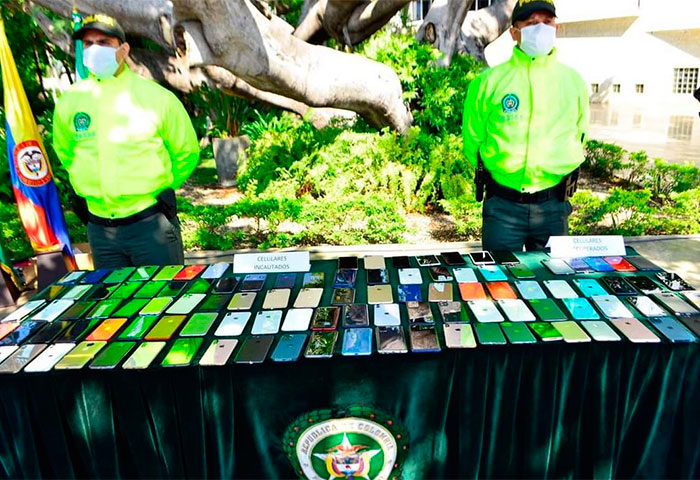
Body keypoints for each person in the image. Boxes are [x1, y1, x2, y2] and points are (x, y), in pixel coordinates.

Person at [53, 14, 199, 268]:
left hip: (149, 224)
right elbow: (65, 152)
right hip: (100, 230)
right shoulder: (70, 101)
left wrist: (155, 188)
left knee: (163, 292)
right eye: (88, 44)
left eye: (104, 42)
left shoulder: (156, 97)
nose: (95, 49)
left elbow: (186, 152)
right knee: (114, 294)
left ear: (124, 49)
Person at [462, 0, 589, 252]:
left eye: (547, 22)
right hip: (503, 207)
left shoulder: (573, 82)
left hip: (553, 206)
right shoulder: (488, 83)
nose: (540, 28)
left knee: (551, 276)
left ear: (556, 27)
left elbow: (581, 134)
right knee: (498, 275)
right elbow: (472, 141)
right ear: (514, 32)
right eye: (531, 23)